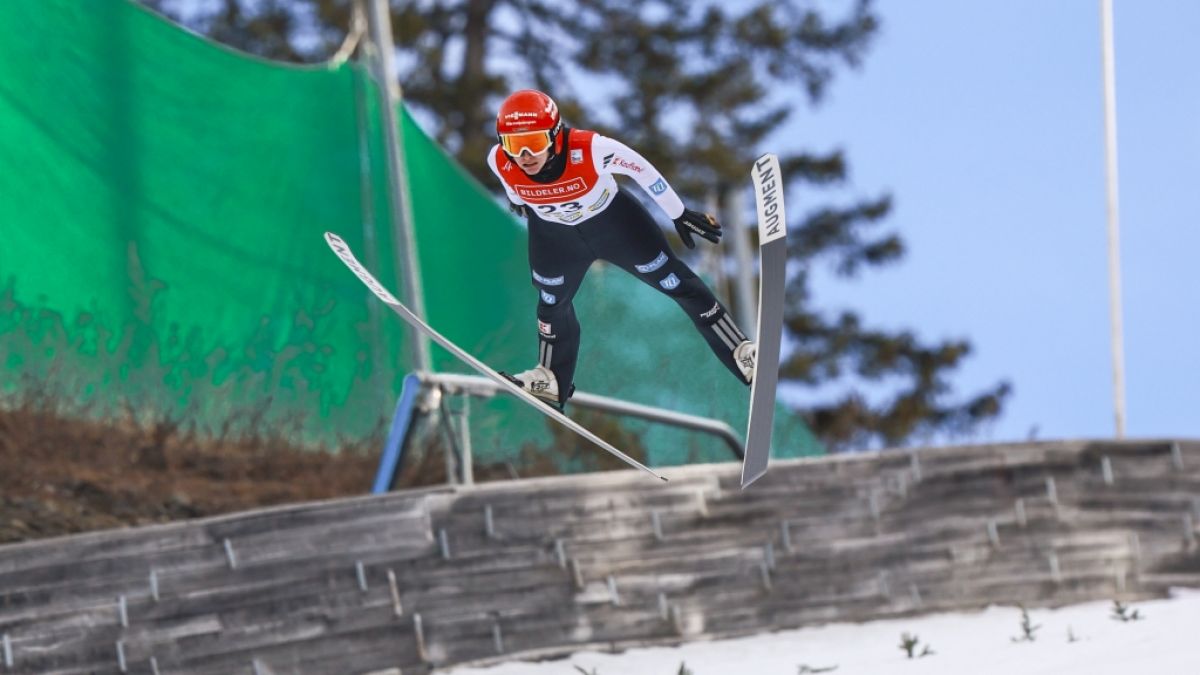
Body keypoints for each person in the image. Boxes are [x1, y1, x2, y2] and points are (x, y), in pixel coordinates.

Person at [486, 89, 756, 409]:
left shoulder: (590, 148)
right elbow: (514, 193)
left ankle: (741, 353)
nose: (525, 155)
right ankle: (551, 378)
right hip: (556, 238)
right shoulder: (499, 160)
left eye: (535, 142)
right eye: (514, 145)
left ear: (556, 136)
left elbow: (641, 169)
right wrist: (521, 202)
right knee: (550, 304)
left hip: (615, 227)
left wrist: (678, 213)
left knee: (676, 283)